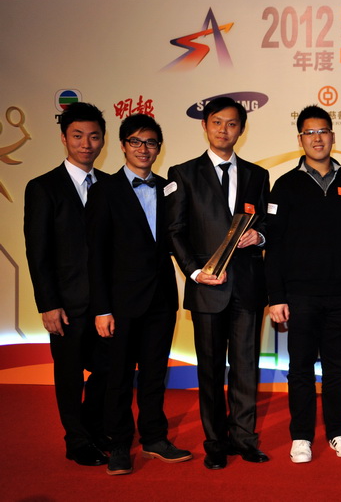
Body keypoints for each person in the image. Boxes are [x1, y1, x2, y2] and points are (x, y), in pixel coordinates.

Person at [166, 97, 270, 470]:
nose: (224, 130)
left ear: (241, 129)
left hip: (247, 287)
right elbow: (175, 232)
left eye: (231, 124)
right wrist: (195, 272)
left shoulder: (258, 176)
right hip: (207, 287)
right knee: (209, 369)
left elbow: (268, 222)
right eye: (217, 123)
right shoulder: (183, 174)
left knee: (246, 367)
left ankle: (244, 437)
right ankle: (215, 441)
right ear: (205, 126)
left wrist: (259, 237)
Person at [86, 114, 191, 475]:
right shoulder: (104, 190)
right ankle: (118, 445)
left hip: (161, 300)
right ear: (122, 146)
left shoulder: (169, 188)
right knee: (117, 377)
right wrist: (101, 308)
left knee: (153, 374)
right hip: (118, 304)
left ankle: (154, 439)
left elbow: (181, 239)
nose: (143, 149)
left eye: (150, 143)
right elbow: (95, 255)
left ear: (159, 148)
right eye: (135, 141)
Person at [265, 105, 341, 464]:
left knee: (338, 368)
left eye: (323, 131)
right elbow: (273, 245)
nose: (317, 138)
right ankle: (301, 436)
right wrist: (276, 296)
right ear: (300, 140)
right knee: (301, 368)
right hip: (301, 294)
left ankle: (338, 432)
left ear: (333, 136)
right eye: (310, 133)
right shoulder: (286, 186)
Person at [23, 102, 109, 467]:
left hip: (107, 304)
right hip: (66, 305)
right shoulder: (43, 187)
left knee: (110, 370)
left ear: (103, 139)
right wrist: (48, 304)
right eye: (77, 136)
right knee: (70, 376)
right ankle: (76, 440)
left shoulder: (110, 186)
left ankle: (91, 427)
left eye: (93, 136)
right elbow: (37, 251)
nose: (86, 143)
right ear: (64, 138)